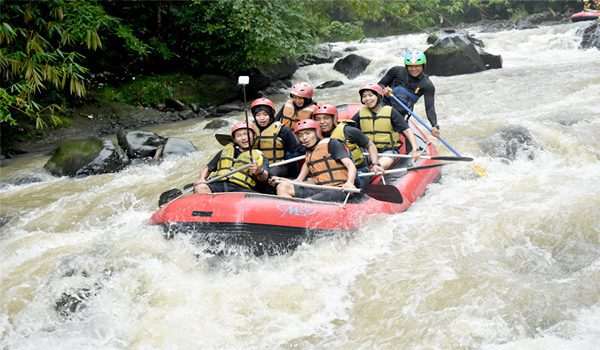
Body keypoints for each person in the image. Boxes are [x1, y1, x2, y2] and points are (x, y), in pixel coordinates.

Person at [272, 119, 357, 202]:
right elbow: (299, 181)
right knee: (282, 187)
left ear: (317, 133)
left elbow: (350, 165)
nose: (304, 138)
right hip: (320, 189)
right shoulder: (309, 154)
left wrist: (350, 182)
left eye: (307, 133)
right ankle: (290, 212)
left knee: (308, 202)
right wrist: (282, 180)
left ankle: (300, 209)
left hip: (338, 189)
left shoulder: (332, 144)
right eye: (300, 135)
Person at [352, 83, 419, 170]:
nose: (367, 99)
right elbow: (348, 128)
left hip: (388, 151)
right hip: (368, 151)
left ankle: (378, 167)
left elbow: (407, 130)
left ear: (379, 96)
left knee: (382, 163)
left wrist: (415, 149)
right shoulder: (360, 114)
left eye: (370, 95)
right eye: (364, 96)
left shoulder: (390, 111)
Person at [312, 103, 384, 184]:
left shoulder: (348, 131)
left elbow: (370, 145)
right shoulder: (314, 136)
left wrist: (375, 164)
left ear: (334, 119)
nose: (322, 122)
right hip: (335, 172)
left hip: (359, 170)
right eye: (318, 119)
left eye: (326, 118)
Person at [193, 121, 269, 194]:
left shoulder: (260, 156)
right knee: (200, 187)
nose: (243, 138)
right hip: (218, 185)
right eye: (239, 135)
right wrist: (202, 178)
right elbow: (208, 168)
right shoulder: (225, 151)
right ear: (235, 140)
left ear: (253, 135)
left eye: (246, 134)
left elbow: (265, 178)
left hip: (242, 188)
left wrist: (259, 171)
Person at [379, 50, 441, 138]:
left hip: (399, 114)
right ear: (406, 66)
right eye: (411, 66)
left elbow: (430, 108)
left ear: (423, 66)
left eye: (417, 66)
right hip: (382, 106)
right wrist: (383, 89)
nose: (414, 69)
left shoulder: (427, 85)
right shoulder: (396, 71)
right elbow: (379, 85)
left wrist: (434, 125)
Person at [250, 97, 303, 178]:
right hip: (256, 166)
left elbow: (295, 151)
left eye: (265, 114)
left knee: (272, 172)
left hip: (278, 166)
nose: (262, 118)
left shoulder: (283, 130)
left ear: (271, 115)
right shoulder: (249, 130)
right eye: (258, 115)